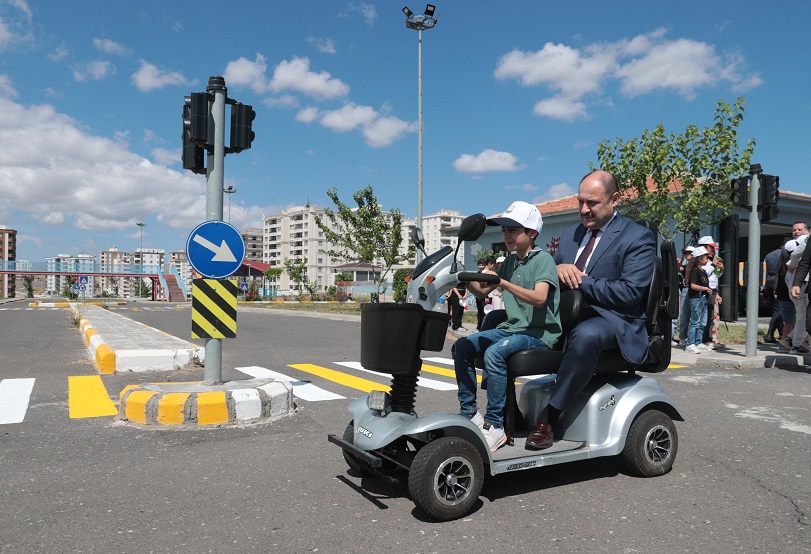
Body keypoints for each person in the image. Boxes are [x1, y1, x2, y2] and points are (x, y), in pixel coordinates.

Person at [525, 170, 656, 450]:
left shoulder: (637, 238)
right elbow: (553, 278)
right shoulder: (571, 235)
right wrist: (555, 268)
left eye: (592, 203)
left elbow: (630, 294)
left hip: (613, 319)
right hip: (568, 314)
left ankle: (549, 418)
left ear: (615, 199)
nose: (584, 210)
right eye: (580, 202)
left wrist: (581, 279)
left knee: (585, 335)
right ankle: (502, 412)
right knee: (499, 320)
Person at [453, 201, 562, 453]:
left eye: (513, 229)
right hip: (513, 329)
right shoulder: (510, 262)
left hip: (539, 333)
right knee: (463, 346)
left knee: (495, 352)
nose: (506, 235)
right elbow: (481, 294)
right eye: (504, 230)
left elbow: (539, 298)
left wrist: (502, 280)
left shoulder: (543, 259)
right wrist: (462, 276)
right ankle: (470, 413)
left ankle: (495, 425)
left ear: (532, 233)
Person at [684, 246, 712, 353]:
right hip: (696, 298)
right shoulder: (695, 270)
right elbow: (693, 286)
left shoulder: (703, 271)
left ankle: (698, 342)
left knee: (702, 322)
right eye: (706, 257)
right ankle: (690, 344)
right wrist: (705, 288)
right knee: (695, 321)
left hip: (703, 299)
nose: (707, 259)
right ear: (699, 259)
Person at [763, 245, 784, 343]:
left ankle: (781, 333)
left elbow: (763, 270)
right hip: (779, 281)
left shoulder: (769, 255)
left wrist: (762, 288)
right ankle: (770, 333)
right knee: (779, 309)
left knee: (775, 308)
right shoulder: (785, 253)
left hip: (768, 281)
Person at [677, 246, 695, 346]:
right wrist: (677, 263)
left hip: (697, 290)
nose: (688, 255)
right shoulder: (685, 266)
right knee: (684, 314)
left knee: (696, 317)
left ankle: (695, 339)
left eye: (690, 253)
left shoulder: (699, 265)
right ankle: (683, 337)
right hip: (687, 289)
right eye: (686, 253)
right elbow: (679, 269)